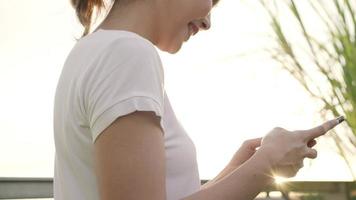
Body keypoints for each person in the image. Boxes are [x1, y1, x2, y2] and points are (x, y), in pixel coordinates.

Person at [53, 0, 343, 199]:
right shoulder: (127, 54)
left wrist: (233, 174)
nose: (208, 23)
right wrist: (265, 167)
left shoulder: (91, 51)